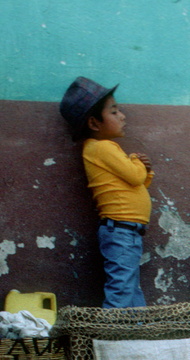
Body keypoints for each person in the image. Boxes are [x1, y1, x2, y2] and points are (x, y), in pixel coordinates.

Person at [61, 77, 151, 308]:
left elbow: (132, 187)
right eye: (114, 111)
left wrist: (144, 173)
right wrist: (136, 163)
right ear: (93, 123)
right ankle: (105, 340)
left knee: (130, 291)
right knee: (121, 291)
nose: (122, 115)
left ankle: (136, 338)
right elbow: (134, 176)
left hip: (126, 231)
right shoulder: (102, 147)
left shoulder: (103, 148)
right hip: (121, 231)